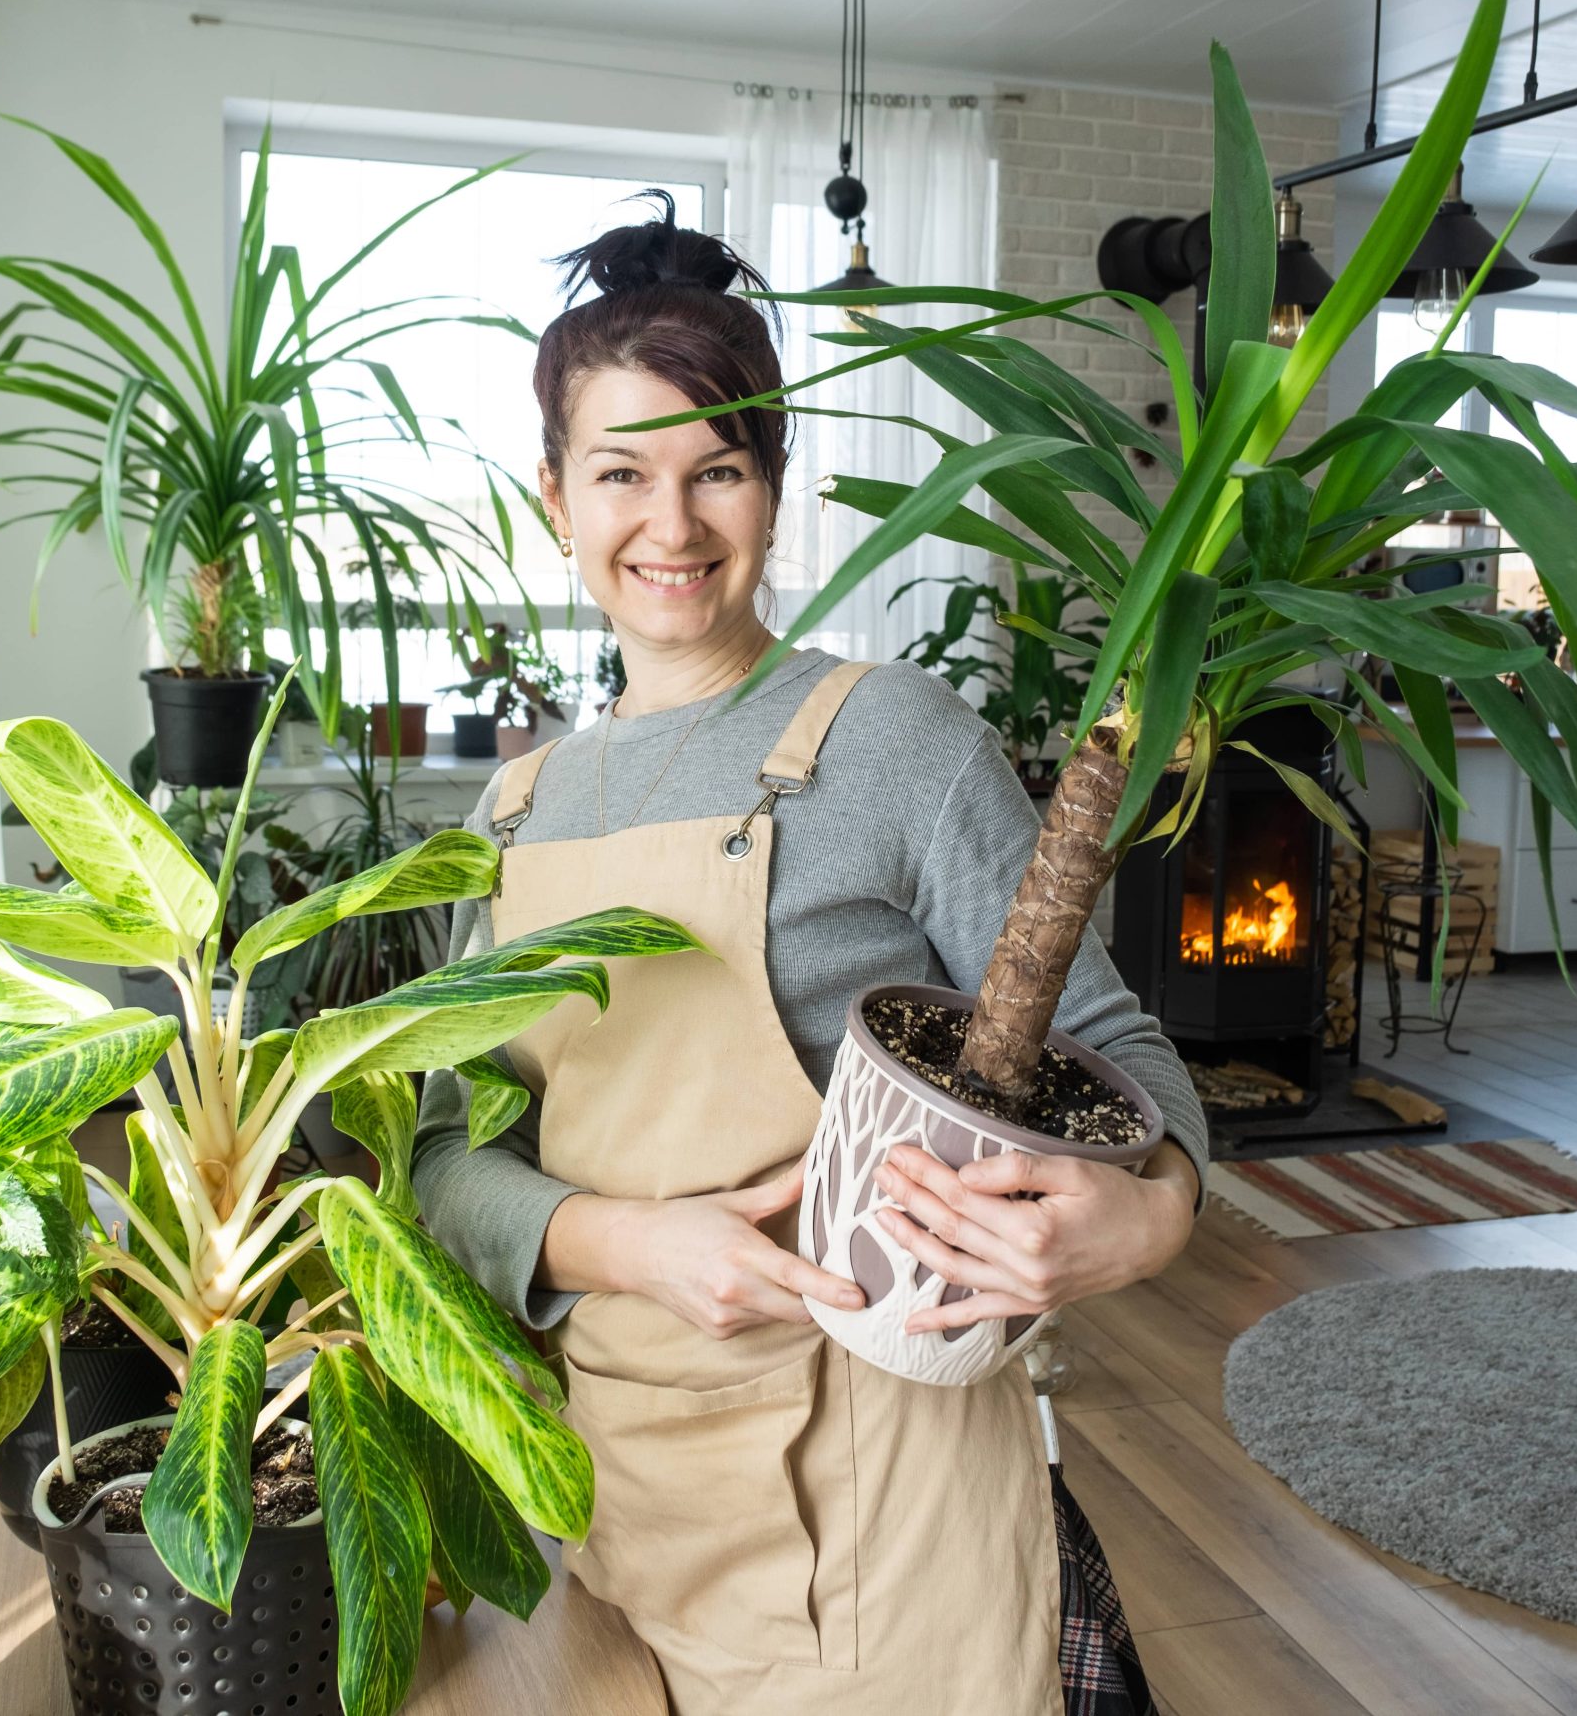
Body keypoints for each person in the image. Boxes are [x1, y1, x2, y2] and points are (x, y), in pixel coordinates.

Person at [413, 191, 1208, 1715]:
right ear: (552, 496)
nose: (672, 524)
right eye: (622, 472)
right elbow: (449, 1159)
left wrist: (1144, 1219)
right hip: (619, 1469)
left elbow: (1121, 1046)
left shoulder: (890, 741)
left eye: (718, 470)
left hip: (878, 1476)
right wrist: (635, 1244)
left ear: (774, 490)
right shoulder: (515, 808)